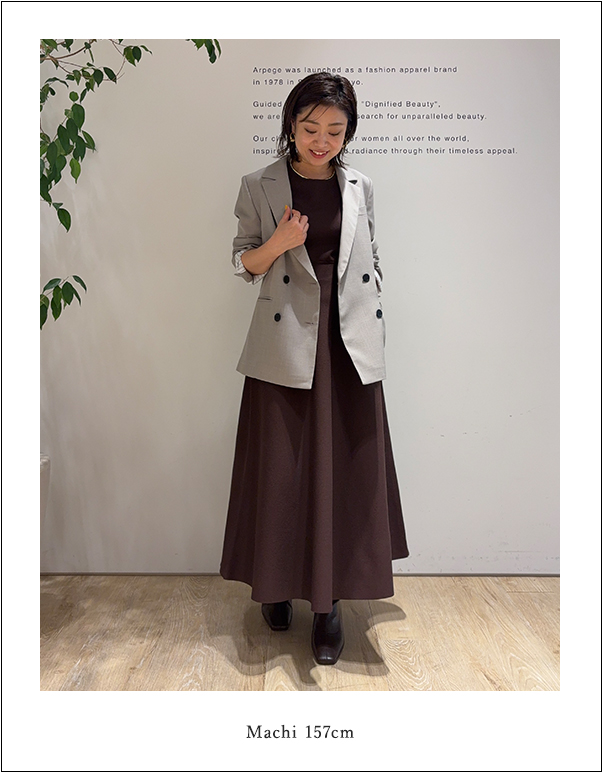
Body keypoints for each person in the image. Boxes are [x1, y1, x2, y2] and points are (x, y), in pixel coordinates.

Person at [220, 72, 409, 666]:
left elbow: (371, 256)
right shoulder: (260, 184)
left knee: (345, 472)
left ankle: (329, 608)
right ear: (290, 125)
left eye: (335, 129)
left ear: (348, 131)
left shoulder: (360, 186)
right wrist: (279, 241)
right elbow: (243, 263)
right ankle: (275, 587)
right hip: (286, 342)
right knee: (282, 470)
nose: (321, 140)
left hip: (348, 343)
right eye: (310, 128)